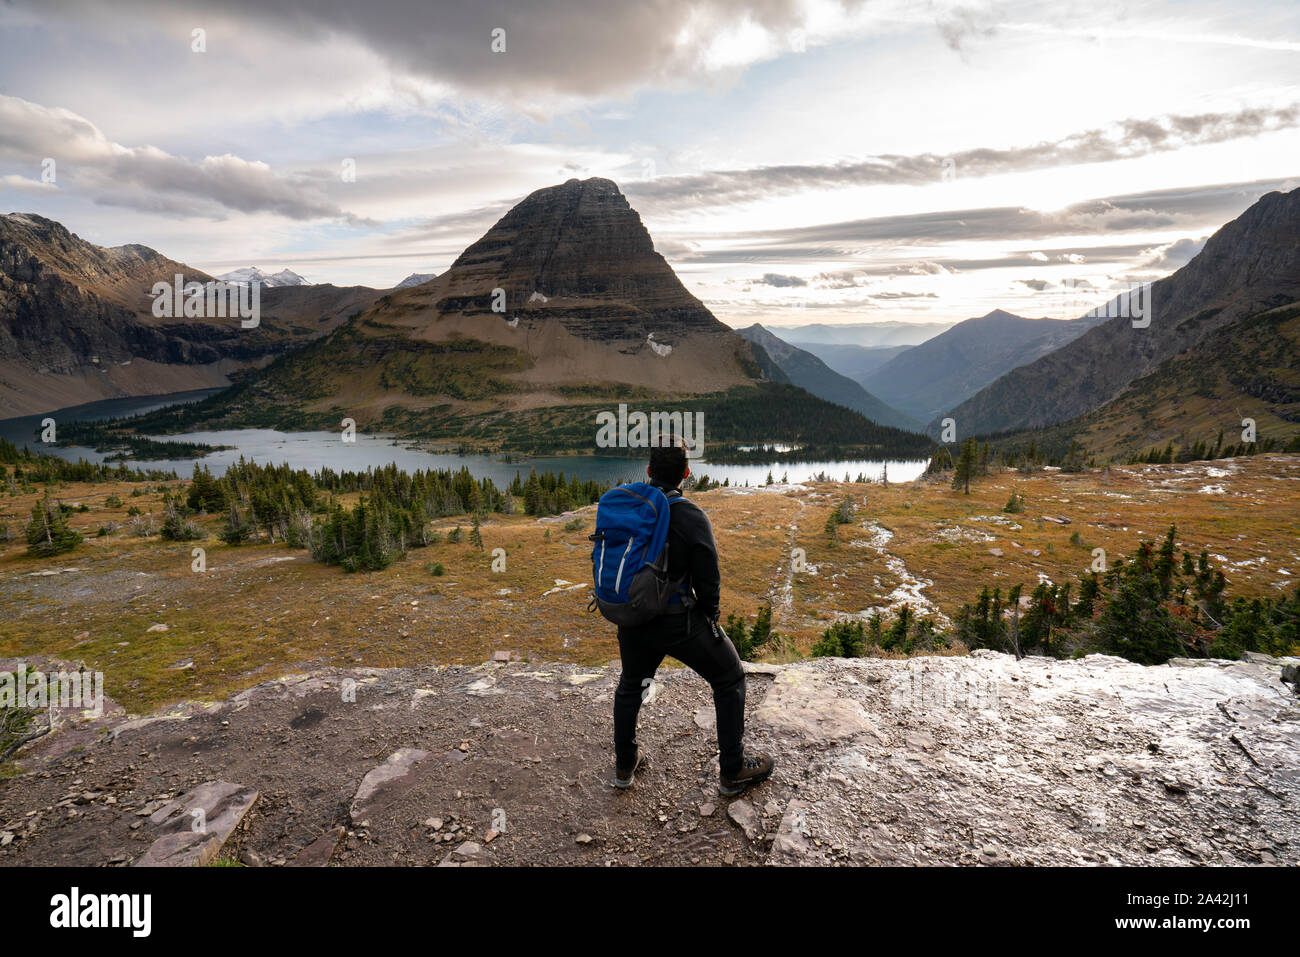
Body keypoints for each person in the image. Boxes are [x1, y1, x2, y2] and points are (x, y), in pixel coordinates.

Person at [612, 435, 774, 796]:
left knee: (631, 687)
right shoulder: (688, 513)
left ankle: (625, 766)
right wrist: (710, 616)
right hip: (678, 622)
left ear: (650, 470)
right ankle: (732, 771)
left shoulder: (631, 505)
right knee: (729, 678)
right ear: (686, 472)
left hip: (634, 619)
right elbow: (708, 575)